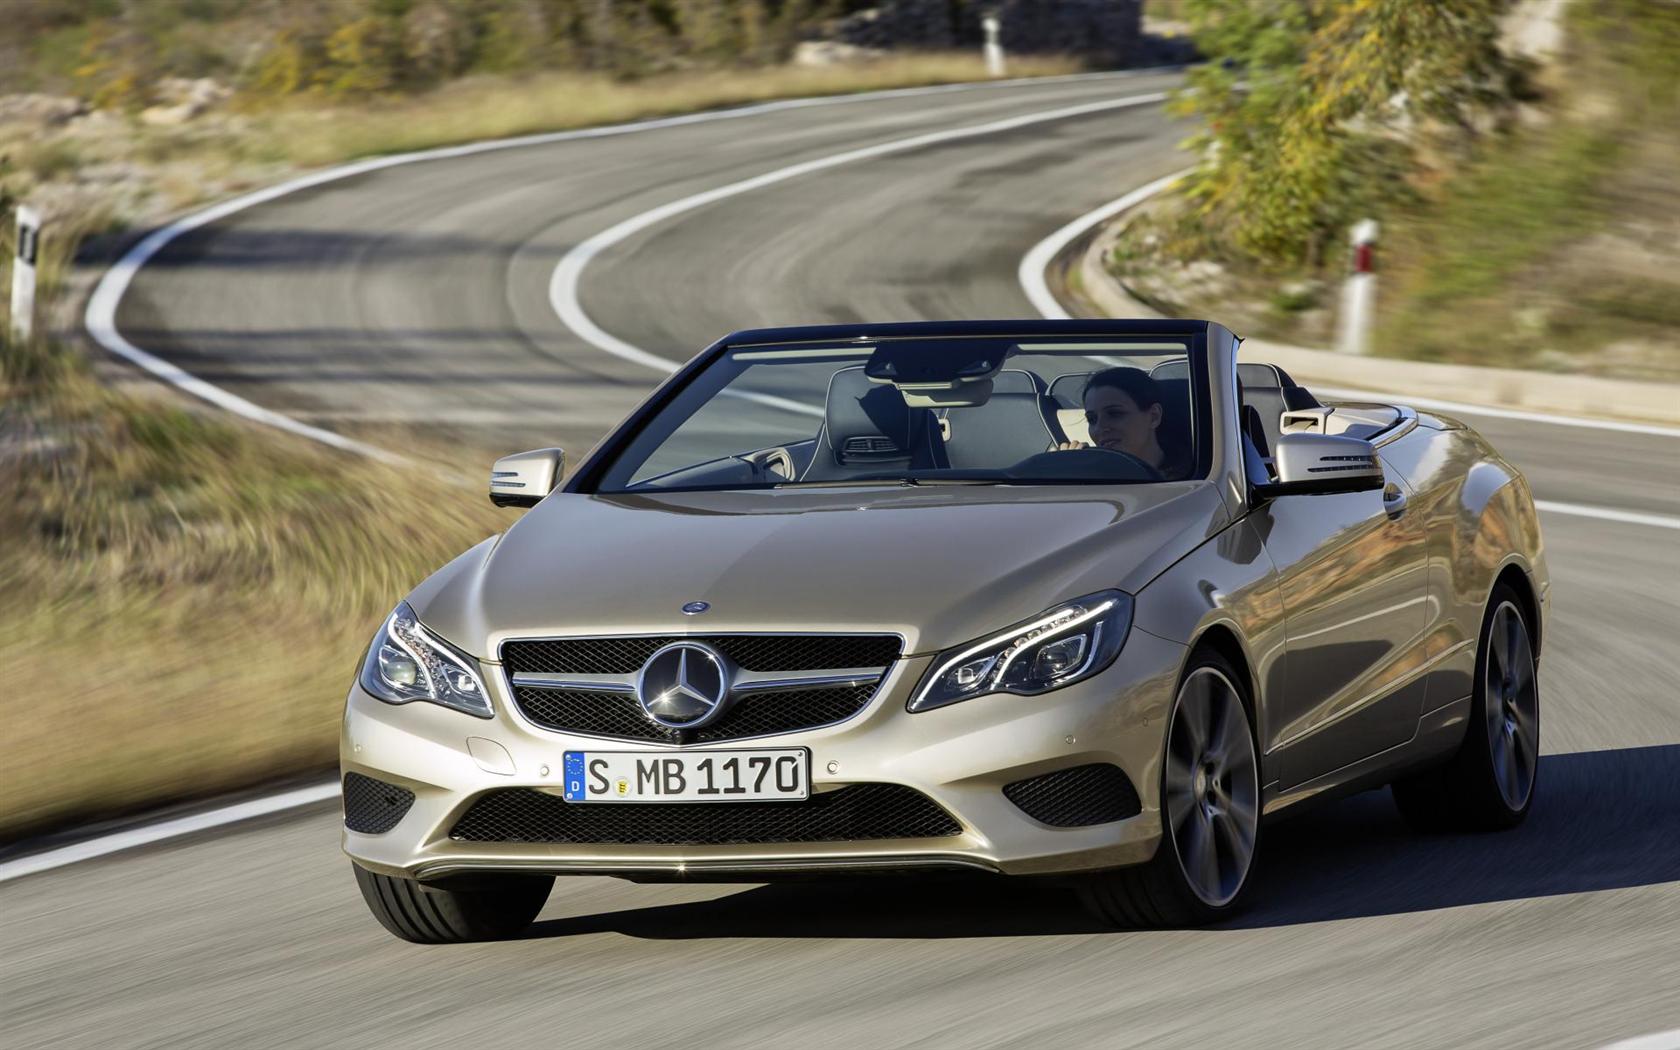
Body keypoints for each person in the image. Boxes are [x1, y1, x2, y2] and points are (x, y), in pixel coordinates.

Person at [1055, 366, 1192, 480]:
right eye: (1092, 419)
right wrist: (1063, 473)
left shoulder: (1195, 478)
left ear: (1153, 417)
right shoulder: (1087, 475)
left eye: (1115, 414)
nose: (1100, 428)